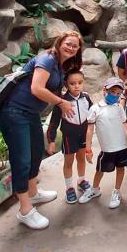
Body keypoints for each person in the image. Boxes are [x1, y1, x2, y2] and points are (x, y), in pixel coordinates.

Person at [0, 31, 82, 229]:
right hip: (14, 112)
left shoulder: (62, 66)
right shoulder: (47, 59)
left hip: (31, 114)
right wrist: (61, 102)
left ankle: (33, 193)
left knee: (36, 153)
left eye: (75, 46)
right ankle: (25, 211)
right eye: (68, 43)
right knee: (22, 160)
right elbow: (36, 88)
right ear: (59, 42)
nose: (71, 48)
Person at [80, 77, 127, 209]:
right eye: (112, 91)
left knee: (121, 168)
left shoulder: (119, 107)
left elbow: (125, 124)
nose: (115, 95)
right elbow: (89, 130)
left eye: (118, 93)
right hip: (107, 148)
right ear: (105, 90)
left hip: (122, 146)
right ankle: (95, 189)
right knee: (100, 169)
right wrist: (88, 149)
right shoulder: (96, 108)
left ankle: (116, 191)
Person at [46, 70, 93, 204]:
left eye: (80, 82)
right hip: (69, 136)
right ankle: (69, 187)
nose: (77, 86)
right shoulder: (61, 102)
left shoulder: (86, 98)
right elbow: (53, 123)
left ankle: (81, 180)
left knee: (81, 158)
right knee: (68, 162)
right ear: (66, 84)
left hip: (83, 134)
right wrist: (51, 140)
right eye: (73, 83)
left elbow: (94, 114)